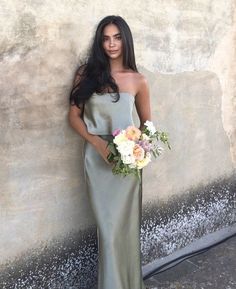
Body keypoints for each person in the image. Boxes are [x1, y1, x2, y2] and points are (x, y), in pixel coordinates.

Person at [69, 15, 150, 289]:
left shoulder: (138, 80)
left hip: (127, 167)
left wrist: (141, 149)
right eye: (106, 38)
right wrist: (97, 143)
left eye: (116, 37)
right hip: (96, 159)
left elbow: (147, 126)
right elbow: (73, 117)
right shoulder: (86, 73)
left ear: (125, 39)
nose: (111, 44)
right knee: (108, 231)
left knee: (124, 233)